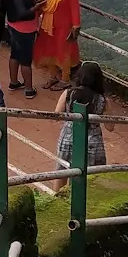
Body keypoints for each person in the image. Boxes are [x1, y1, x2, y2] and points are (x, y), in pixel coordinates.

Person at [51, 62, 108, 193]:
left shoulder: (68, 93)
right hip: (93, 142)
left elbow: (56, 115)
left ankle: (56, 200)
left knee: (62, 172)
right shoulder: (101, 99)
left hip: (68, 137)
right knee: (92, 176)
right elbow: (110, 126)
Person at [34, 0, 82, 90]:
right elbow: (39, 2)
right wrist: (35, 19)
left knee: (64, 51)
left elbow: (74, 6)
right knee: (49, 49)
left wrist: (76, 25)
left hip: (63, 25)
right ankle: (52, 76)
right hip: (46, 23)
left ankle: (65, 79)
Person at [3, 0, 41, 97]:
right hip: (24, 30)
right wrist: (36, 7)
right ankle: (29, 89)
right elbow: (23, 13)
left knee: (15, 55)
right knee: (25, 60)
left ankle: (13, 82)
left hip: (14, 27)